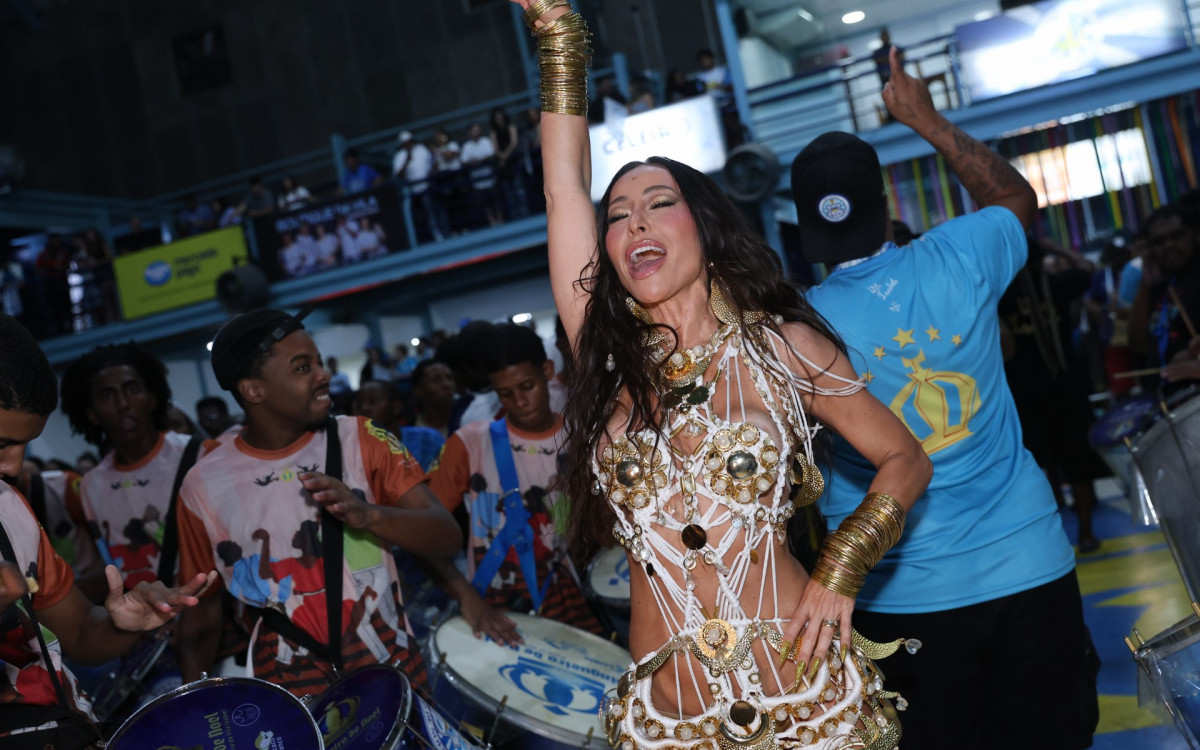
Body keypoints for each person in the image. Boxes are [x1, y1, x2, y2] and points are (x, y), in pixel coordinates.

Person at [513, 3, 931, 748]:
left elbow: (905, 457)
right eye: (618, 216)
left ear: (704, 227)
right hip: (672, 722)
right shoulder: (606, 361)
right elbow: (562, 190)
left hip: (811, 702)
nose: (635, 223)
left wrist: (842, 564)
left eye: (659, 204)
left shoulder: (784, 348)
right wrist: (558, 35)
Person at [796, 47, 1098, 749]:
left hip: (901, 593)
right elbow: (1014, 198)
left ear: (808, 230)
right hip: (1028, 562)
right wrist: (925, 120)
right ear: (886, 205)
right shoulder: (962, 253)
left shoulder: (799, 325)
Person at [175, 308, 461, 697]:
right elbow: (202, 613)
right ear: (254, 391)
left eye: (319, 362)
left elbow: (446, 535)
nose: (323, 374)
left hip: (393, 672)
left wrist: (369, 515)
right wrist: (195, 705)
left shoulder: (361, 438)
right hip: (290, 692)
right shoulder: (203, 485)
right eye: (302, 367)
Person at [0, 313, 213, 749]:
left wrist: (124, 622)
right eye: (2, 443)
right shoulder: (93, 484)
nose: (14, 465)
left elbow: (80, 630)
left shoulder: (12, 508)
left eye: (25, 444)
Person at [425, 324, 601, 643]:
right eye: (505, 394)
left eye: (527, 386)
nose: (519, 401)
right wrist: (465, 595)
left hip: (573, 603)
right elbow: (422, 531)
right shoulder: (469, 444)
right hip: (497, 612)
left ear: (547, 371)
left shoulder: (582, 440)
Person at [60, 344, 218, 590]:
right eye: (106, 396)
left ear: (152, 398)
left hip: (209, 603)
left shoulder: (201, 454)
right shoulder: (91, 484)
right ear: (92, 414)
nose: (123, 403)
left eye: (132, 389)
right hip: (144, 610)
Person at [393, 132, 448, 243]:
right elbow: (398, 175)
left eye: (409, 142)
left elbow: (431, 164)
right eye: (405, 143)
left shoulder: (421, 149)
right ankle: (425, 237)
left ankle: (440, 233)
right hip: (412, 191)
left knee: (433, 210)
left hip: (427, 186)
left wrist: (433, 170)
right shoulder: (399, 156)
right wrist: (406, 162)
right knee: (419, 216)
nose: (408, 144)